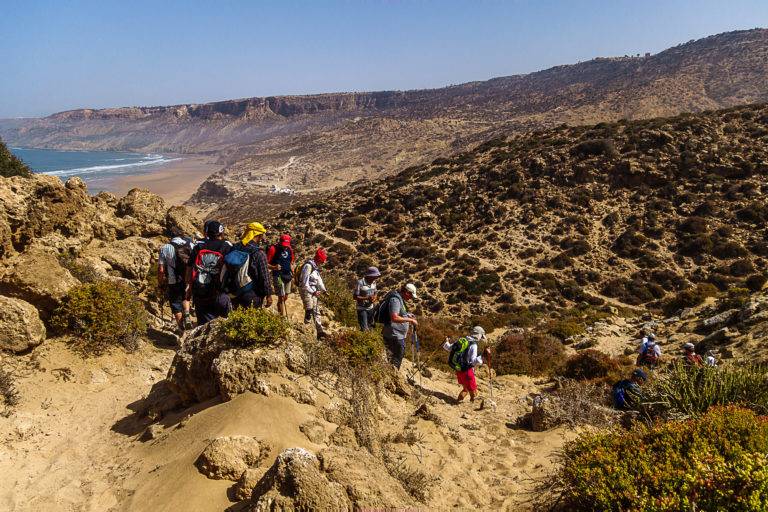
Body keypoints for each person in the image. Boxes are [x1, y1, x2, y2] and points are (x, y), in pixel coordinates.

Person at [185, 220, 232, 325]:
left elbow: (189, 267)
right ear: (221, 232)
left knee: (203, 324)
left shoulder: (199, 246)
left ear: (207, 232)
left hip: (200, 290)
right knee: (224, 324)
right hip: (219, 291)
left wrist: (188, 285)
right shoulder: (226, 246)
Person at [225, 222, 273, 309]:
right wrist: (268, 294)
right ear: (258, 235)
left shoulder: (235, 247)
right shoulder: (259, 253)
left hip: (234, 292)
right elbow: (264, 276)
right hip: (252, 294)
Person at [442, 326, 492, 403]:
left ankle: (457, 402)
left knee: (465, 389)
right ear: (479, 335)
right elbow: (473, 361)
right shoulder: (473, 345)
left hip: (459, 369)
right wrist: (483, 356)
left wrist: (446, 342)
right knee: (474, 393)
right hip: (467, 371)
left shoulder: (462, 340)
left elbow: (448, 348)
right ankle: (471, 408)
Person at [377, 283, 419, 369]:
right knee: (396, 359)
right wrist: (410, 320)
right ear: (407, 292)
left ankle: (391, 375)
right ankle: (393, 376)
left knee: (395, 358)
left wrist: (408, 315)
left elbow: (400, 312)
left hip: (396, 335)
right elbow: (394, 317)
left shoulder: (400, 299)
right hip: (394, 335)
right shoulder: (395, 300)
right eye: (411, 296)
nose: (411, 298)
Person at [158, 236, 193, 332]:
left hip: (172, 280)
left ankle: (182, 330)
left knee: (176, 304)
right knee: (185, 297)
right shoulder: (189, 244)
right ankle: (187, 314)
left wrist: (160, 283)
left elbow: (161, 270)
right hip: (186, 277)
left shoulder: (165, 248)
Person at [299, 248, 328, 339]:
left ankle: (320, 332)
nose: (322, 264)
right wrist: (313, 291)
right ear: (319, 260)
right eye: (322, 262)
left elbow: (319, 280)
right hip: (306, 290)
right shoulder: (308, 266)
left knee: (316, 311)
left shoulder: (315, 267)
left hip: (313, 291)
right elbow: (304, 283)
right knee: (309, 310)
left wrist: (324, 290)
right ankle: (306, 331)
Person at [266, 233, 295, 318]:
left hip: (287, 275)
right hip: (278, 276)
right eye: (284, 245)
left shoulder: (289, 249)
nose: (285, 247)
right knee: (281, 297)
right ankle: (281, 316)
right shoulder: (273, 249)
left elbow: (291, 261)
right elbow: (266, 263)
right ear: (280, 242)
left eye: (286, 245)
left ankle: (279, 308)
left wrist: (292, 269)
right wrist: (274, 267)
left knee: (285, 296)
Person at [353, 266, 380, 331]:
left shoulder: (374, 282)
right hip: (362, 309)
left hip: (371, 308)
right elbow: (355, 297)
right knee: (364, 329)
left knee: (371, 327)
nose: (376, 278)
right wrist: (367, 298)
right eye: (375, 276)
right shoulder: (360, 283)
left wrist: (374, 298)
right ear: (369, 275)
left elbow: (375, 292)